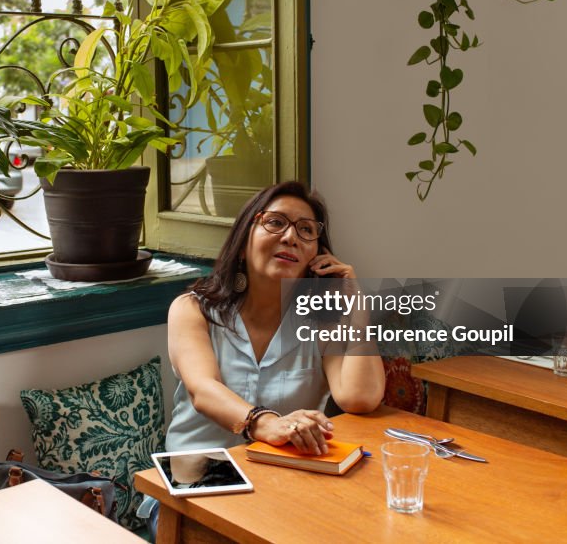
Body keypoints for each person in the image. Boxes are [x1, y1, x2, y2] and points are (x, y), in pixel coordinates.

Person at [140, 181, 385, 537]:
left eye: (306, 230)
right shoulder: (194, 310)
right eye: (275, 222)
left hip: (284, 493)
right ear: (242, 243)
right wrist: (266, 423)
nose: (291, 237)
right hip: (196, 490)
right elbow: (203, 390)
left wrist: (356, 306)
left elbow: (358, 398)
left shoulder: (320, 322)